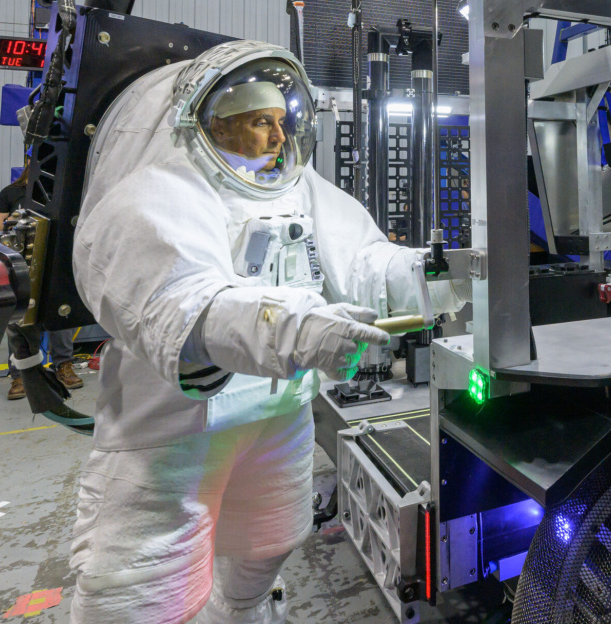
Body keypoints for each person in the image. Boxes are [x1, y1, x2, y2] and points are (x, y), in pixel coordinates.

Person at [69, 41, 468, 624]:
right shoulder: (157, 194)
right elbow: (185, 307)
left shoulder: (301, 190)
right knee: (142, 589)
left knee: (268, 543)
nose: (278, 138)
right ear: (219, 125)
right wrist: (296, 328)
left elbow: (364, 264)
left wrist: (442, 274)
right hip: (174, 433)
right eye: (262, 123)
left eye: (283, 123)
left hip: (278, 416)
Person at [0, 169, 83, 399]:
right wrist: (11, 221)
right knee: (20, 320)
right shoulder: (11, 193)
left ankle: (64, 366)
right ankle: (21, 375)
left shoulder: (61, 195)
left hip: (54, 264)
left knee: (60, 313)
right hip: (23, 265)